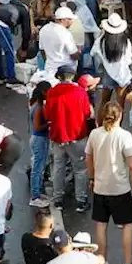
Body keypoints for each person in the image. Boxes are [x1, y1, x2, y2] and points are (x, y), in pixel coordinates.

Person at [86, 101, 132, 264]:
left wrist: (92, 178)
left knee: (101, 225)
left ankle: (102, 262)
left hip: (100, 187)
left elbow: (88, 157)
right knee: (128, 225)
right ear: (120, 116)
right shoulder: (124, 136)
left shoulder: (95, 134)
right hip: (120, 188)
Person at [45, 64, 93, 211]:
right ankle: (81, 201)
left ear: (59, 77)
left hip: (58, 136)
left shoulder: (52, 92)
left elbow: (47, 115)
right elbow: (87, 113)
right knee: (80, 169)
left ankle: (57, 200)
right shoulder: (80, 92)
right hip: (77, 136)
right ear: (73, 77)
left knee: (58, 167)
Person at [40, 6, 81, 80]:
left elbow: (42, 51)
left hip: (49, 70)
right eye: (70, 19)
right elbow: (74, 55)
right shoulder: (65, 33)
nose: (71, 22)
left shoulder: (44, 29)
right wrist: (79, 51)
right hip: (65, 72)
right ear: (64, 20)